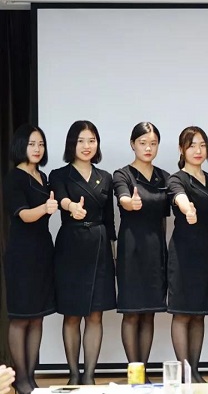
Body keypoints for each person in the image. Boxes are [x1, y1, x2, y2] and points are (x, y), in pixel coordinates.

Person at [49, 120, 116, 385]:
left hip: (99, 245)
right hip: (71, 246)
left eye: (92, 140)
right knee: (72, 313)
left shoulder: (106, 177)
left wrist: (114, 252)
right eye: (81, 141)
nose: (87, 146)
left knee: (96, 314)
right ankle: (73, 375)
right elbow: (61, 198)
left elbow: (110, 220)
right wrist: (70, 207)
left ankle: (89, 375)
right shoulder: (59, 174)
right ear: (71, 144)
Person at [167, 126, 208, 382]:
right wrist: (188, 209)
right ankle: (183, 372)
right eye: (192, 145)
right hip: (183, 253)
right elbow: (179, 198)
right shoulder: (176, 179)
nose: (198, 150)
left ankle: (195, 370)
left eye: (202, 145)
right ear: (182, 149)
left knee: (200, 313)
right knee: (182, 313)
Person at [113, 122, 170, 381]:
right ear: (132, 144)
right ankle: (133, 373)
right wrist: (130, 202)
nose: (148, 148)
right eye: (143, 143)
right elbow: (123, 198)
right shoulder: (122, 174)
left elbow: (168, 214)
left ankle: (143, 373)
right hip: (131, 249)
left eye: (153, 143)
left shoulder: (164, 177)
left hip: (156, 249)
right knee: (131, 312)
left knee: (149, 313)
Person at [3, 124, 56, 394]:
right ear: (20, 146)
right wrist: (45, 208)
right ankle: (21, 379)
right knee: (21, 317)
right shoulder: (15, 177)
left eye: (41, 144)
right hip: (21, 254)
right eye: (31, 144)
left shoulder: (43, 176)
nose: (37, 149)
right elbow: (23, 215)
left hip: (42, 252)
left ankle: (31, 378)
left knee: (37, 317)